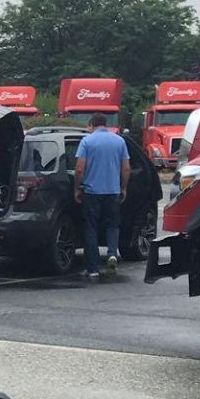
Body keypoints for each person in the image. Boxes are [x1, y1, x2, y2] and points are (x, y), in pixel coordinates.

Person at [73, 114, 130, 281]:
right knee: (113, 225)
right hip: (112, 191)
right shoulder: (119, 141)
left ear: (92, 124)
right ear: (105, 124)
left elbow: (79, 169)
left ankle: (92, 268)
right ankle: (112, 253)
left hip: (92, 192)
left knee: (91, 228)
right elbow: (126, 168)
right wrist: (123, 187)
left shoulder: (87, 142)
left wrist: (77, 188)